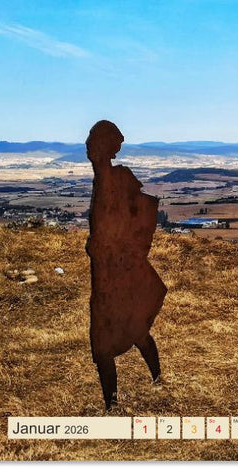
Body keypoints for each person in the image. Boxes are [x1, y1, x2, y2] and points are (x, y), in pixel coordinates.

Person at [85, 120, 166, 409]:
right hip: (105, 276)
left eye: (93, 142)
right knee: (104, 342)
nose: (88, 147)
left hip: (119, 271)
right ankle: (112, 403)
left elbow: (140, 216)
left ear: (104, 147)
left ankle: (156, 380)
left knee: (131, 330)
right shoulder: (102, 179)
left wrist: (115, 248)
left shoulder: (118, 178)